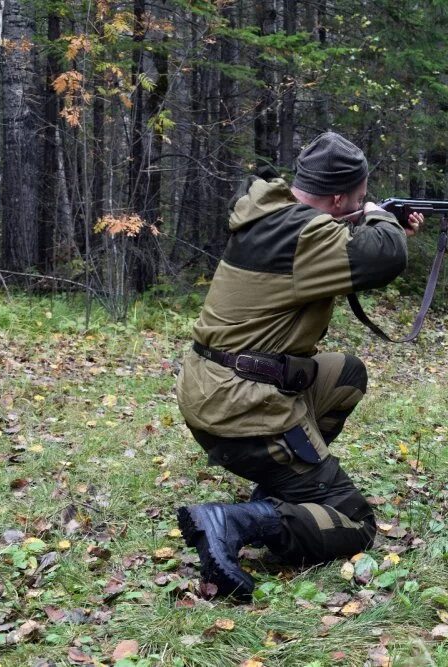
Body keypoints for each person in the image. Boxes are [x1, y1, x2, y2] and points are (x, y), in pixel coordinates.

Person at [174, 131, 423, 599]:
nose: (363, 204)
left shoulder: (275, 216)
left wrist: (374, 217)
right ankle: (238, 521)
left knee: (346, 373)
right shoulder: (304, 233)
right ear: (338, 197)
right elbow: (383, 256)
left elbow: (351, 249)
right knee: (356, 523)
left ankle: (284, 486)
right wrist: (379, 220)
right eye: (360, 198)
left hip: (217, 389)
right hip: (243, 411)